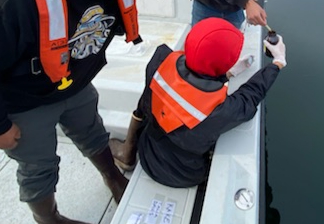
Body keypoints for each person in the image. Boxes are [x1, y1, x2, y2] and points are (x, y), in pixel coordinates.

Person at [0, 0, 254, 224]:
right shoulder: (1, 0)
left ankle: (112, 177)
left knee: (93, 132)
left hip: (76, 84)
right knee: (38, 165)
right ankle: (49, 218)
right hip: (25, 101)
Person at [108, 17, 287, 188]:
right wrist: (277, 62)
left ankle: (127, 151)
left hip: (146, 154)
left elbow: (183, 86)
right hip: (184, 175)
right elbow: (249, 97)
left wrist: (226, 73)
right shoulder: (218, 111)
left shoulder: (160, 60)